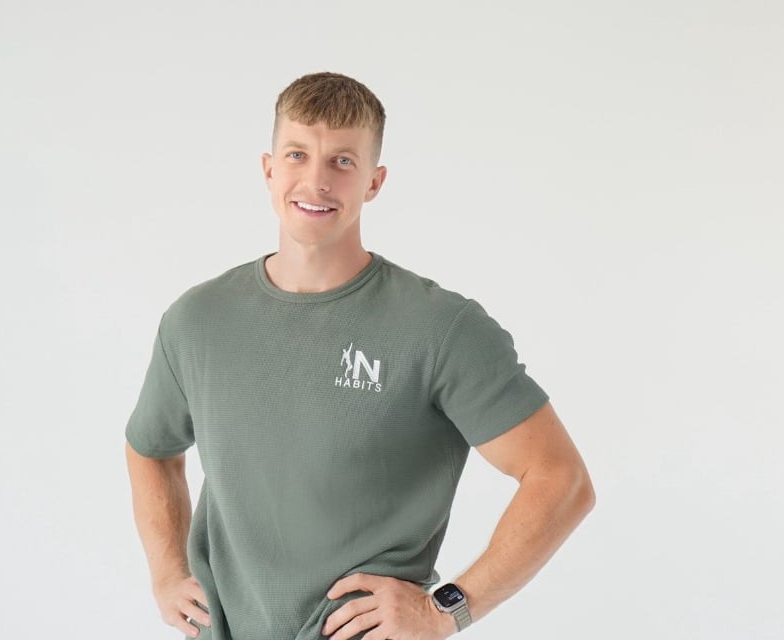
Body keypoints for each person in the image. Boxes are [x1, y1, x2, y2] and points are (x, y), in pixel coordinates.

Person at [124, 71, 595, 640]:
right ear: (269, 169)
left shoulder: (440, 328)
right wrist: (167, 573)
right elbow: (149, 448)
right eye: (297, 155)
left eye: (342, 162)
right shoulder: (197, 321)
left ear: (375, 181)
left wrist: (446, 609)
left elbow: (561, 479)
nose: (316, 181)